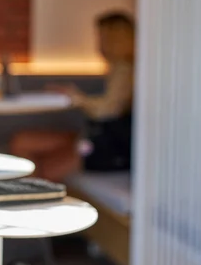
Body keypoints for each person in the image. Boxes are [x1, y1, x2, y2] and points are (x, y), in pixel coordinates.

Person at [10, 11, 135, 181]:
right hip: (93, 136)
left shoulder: (125, 70)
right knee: (23, 142)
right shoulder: (117, 68)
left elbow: (108, 110)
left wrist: (77, 97)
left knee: (44, 168)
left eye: (103, 37)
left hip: (108, 146)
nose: (99, 43)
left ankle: (35, 194)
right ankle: (34, 192)